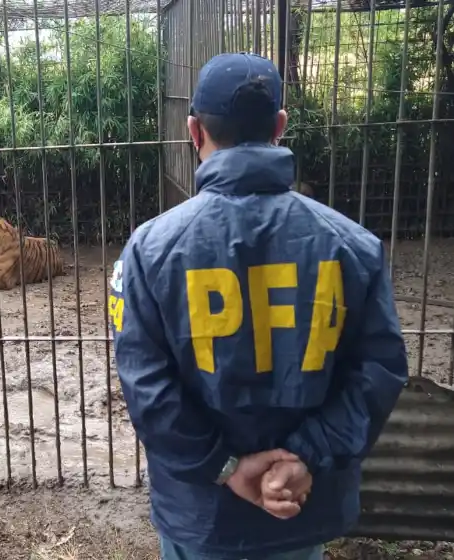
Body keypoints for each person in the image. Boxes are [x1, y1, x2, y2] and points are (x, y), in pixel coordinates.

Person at [109, 52, 408, 560]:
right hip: (300, 505)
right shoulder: (353, 245)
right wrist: (305, 458)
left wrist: (226, 467)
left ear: (193, 131)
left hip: (202, 513)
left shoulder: (150, 249)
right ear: (280, 126)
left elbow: (146, 386)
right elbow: (379, 369)